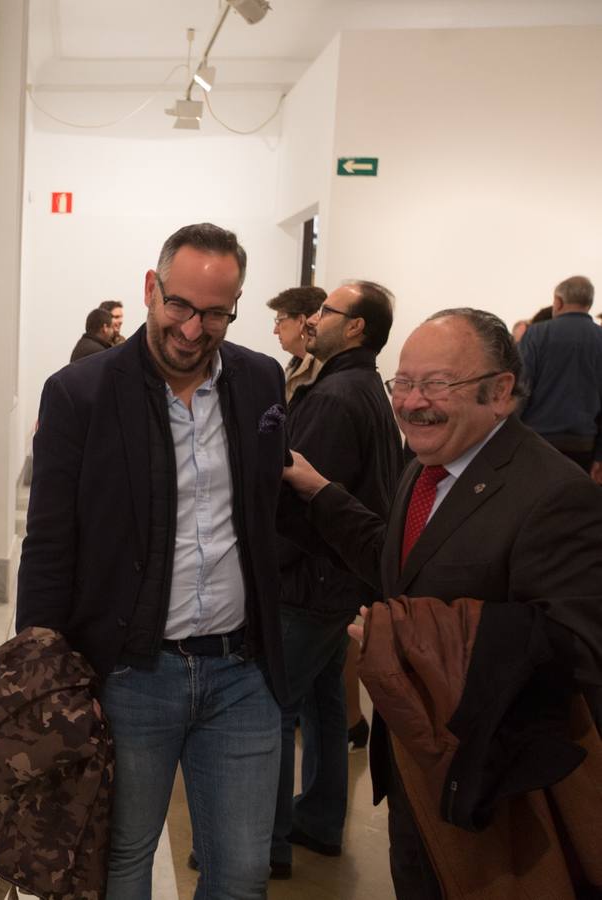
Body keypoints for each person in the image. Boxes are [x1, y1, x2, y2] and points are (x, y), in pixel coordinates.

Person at [281, 308, 602, 899]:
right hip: (419, 761)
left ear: (500, 392)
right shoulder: (428, 467)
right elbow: (398, 565)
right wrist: (322, 492)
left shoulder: (556, 495)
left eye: (436, 384)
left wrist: (406, 634)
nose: (410, 402)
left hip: (495, 784)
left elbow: (574, 648)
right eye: (402, 383)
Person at [19, 223, 289, 899]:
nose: (194, 330)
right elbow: (49, 543)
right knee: (122, 860)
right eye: (180, 306)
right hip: (132, 672)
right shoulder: (80, 393)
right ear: (151, 288)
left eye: (216, 313)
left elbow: (268, 513)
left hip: (241, 671)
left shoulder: (261, 381)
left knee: (242, 872)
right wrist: (41, 668)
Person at [270, 281, 403, 875]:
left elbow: (297, 499)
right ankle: (319, 821)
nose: (314, 318)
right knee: (324, 702)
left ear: (355, 328)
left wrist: (263, 568)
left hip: (309, 585)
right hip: (339, 581)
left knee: (269, 709)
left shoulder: (332, 398)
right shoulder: (365, 387)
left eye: (327, 311)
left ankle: (263, 843)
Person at [517, 276, 602, 482]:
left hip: (536, 441)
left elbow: (520, 390)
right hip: (584, 445)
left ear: (558, 302)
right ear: (588, 303)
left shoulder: (536, 334)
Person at [266, 286, 325, 402]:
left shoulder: (323, 369)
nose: (275, 330)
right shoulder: (294, 365)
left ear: (301, 321)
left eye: (279, 321)